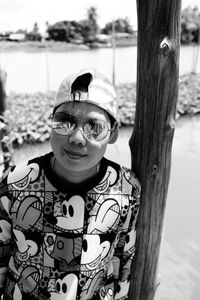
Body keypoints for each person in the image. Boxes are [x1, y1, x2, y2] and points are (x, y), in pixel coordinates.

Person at [0, 69, 141, 300]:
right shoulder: (16, 183)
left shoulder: (127, 189)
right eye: (65, 121)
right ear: (51, 122)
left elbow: (122, 263)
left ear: (113, 132)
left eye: (94, 127)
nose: (76, 138)